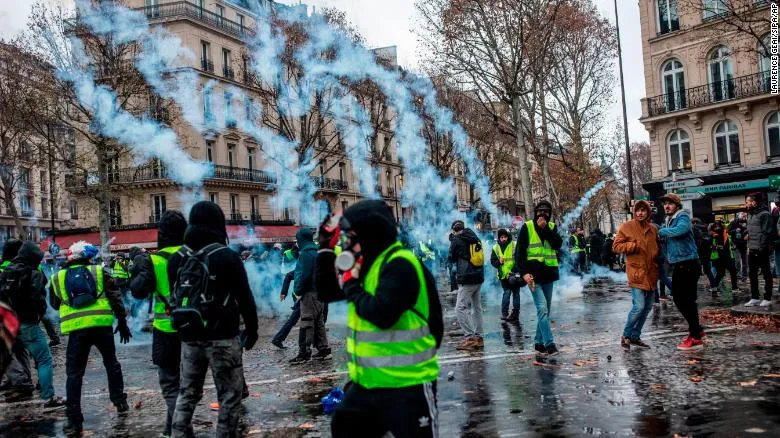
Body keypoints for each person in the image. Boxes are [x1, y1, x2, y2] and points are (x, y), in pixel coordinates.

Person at [314, 200, 443, 438]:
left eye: (350, 235)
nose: (345, 242)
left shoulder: (401, 264)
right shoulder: (365, 265)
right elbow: (327, 293)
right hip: (367, 385)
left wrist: (351, 283)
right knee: (343, 426)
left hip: (408, 386)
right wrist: (324, 249)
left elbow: (381, 315)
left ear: (369, 234)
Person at [167, 201, 259, 438]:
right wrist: (252, 329)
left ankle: (179, 434)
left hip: (189, 336)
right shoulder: (226, 255)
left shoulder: (176, 258)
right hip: (223, 336)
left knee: (187, 393)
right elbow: (244, 297)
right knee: (229, 395)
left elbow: (176, 297)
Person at [49, 241, 131, 434]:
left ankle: (74, 419)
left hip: (77, 330)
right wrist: (122, 321)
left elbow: (54, 304)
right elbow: (115, 297)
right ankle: (119, 401)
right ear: (88, 256)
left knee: (74, 374)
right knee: (112, 364)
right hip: (102, 327)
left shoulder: (57, 277)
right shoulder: (99, 271)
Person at [128, 210, 187, 438]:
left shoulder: (154, 260)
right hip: (195, 329)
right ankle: (173, 428)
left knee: (171, 384)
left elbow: (139, 291)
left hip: (166, 330)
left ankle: (176, 430)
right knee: (190, 385)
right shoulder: (195, 255)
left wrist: (139, 265)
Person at [0, 241, 65, 407]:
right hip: (27, 322)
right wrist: (38, 315)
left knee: (20, 354)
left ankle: (25, 384)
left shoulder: (7, 270)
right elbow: (38, 300)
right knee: (43, 359)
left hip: (8, 322)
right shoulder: (34, 273)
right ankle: (48, 397)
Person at [513, 200, 564, 355]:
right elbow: (519, 253)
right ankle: (549, 344)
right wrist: (524, 273)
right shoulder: (527, 227)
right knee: (542, 309)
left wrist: (546, 230)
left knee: (545, 310)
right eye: (540, 211)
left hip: (548, 275)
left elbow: (557, 244)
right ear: (536, 212)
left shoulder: (552, 227)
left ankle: (538, 342)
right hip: (533, 276)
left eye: (546, 212)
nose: (543, 214)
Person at [657, 193, 704, 350]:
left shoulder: (682, 216)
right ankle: (696, 330)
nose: (667, 206)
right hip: (679, 263)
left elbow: (681, 231)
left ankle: (695, 336)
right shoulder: (668, 220)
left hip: (688, 263)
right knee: (680, 299)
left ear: (677, 205)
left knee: (685, 300)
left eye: (670, 203)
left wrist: (662, 232)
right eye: (665, 204)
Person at [612, 201, 658, 350]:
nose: (640, 213)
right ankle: (626, 335)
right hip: (636, 273)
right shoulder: (627, 226)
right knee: (638, 306)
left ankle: (635, 336)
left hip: (651, 273)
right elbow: (616, 246)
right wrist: (633, 245)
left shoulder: (653, 229)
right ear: (634, 212)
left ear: (648, 212)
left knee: (648, 307)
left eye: (643, 211)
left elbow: (657, 247)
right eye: (638, 210)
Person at [289, 228, 330, 363]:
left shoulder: (305, 254)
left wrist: (299, 291)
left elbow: (304, 275)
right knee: (319, 322)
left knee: (307, 322)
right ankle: (323, 349)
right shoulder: (318, 251)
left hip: (309, 293)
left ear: (302, 239)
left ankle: (304, 353)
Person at [449, 219, 485, 351]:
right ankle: (479, 337)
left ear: (454, 230)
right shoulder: (475, 237)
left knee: (460, 308)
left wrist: (452, 241)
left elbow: (451, 258)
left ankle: (470, 338)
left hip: (467, 277)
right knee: (477, 308)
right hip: (478, 276)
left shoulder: (457, 240)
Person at [744, 193, 774, 307]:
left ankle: (767, 297)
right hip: (751, 248)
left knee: (766, 273)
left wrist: (762, 247)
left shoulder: (765, 214)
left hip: (761, 249)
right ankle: (755, 297)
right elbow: (751, 229)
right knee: (752, 274)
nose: (746, 204)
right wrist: (746, 233)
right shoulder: (750, 214)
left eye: (748, 201)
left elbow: (767, 232)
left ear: (754, 202)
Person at [490, 228, 520, 322]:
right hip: (503, 275)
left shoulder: (514, 245)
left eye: (505, 237)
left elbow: (519, 260)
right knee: (506, 293)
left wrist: (513, 272)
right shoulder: (495, 247)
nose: (503, 239)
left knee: (515, 293)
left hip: (514, 274)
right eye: (501, 237)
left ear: (508, 237)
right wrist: (498, 262)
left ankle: (515, 313)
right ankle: (504, 313)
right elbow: (493, 261)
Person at [709, 220, 739, 294]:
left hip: (728, 256)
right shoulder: (712, 236)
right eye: (715, 227)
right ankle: (714, 287)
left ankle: (734, 287)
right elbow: (708, 246)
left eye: (718, 226)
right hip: (718, 257)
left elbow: (730, 243)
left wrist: (733, 246)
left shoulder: (726, 234)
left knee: (731, 271)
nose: (717, 228)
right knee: (721, 273)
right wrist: (716, 247)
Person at [271, 269, 298, 349]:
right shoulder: (305, 264)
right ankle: (278, 339)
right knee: (295, 319)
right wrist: (284, 292)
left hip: (305, 296)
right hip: (300, 297)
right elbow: (289, 275)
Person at [692, 217, 717, 292]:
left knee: (696, 273)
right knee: (708, 271)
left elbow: (695, 242)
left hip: (699, 253)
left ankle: (693, 290)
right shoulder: (706, 228)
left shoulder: (694, 229)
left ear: (694, 223)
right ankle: (714, 287)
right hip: (707, 253)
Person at [728, 213, 749, 278]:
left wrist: (748, 234)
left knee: (745, 261)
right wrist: (735, 230)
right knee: (737, 261)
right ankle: (738, 274)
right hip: (735, 244)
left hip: (744, 244)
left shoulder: (747, 222)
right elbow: (728, 232)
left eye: (745, 215)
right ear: (739, 216)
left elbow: (751, 230)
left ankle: (744, 275)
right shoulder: (734, 222)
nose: (744, 217)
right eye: (743, 215)